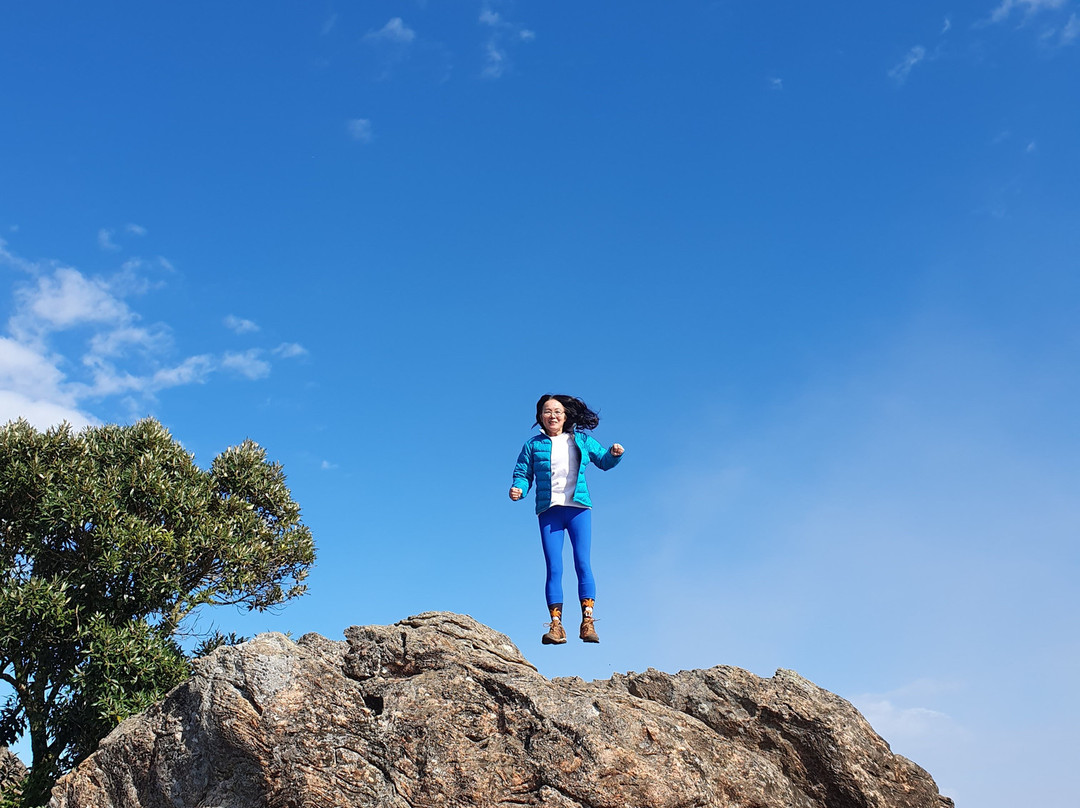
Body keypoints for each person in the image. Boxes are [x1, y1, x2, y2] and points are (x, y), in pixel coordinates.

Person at [509, 394, 624, 645]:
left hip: (578, 508)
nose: (553, 416)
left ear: (566, 415)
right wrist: (519, 488)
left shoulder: (580, 440)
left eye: (558, 411)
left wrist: (614, 455)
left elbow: (603, 460)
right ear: (540, 416)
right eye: (547, 411)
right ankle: (556, 625)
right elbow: (523, 473)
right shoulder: (532, 445)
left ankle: (588, 622)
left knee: (582, 562)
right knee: (554, 567)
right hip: (549, 511)